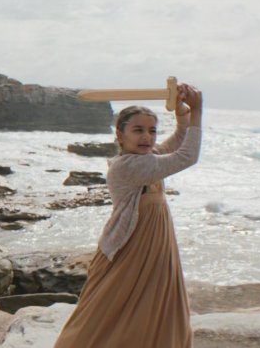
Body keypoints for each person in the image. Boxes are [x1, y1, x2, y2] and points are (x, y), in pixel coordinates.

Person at [53, 83, 203, 348]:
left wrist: (182, 115)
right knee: (108, 310)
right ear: (120, 135)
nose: (147, 136)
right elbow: (186, 156)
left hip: (154, 245)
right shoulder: (130, 166)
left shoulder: (147, 158)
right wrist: (198, 112)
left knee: (154, 304)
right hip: (131, 248)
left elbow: (179, 140)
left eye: (152, 130)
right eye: (138, 130)